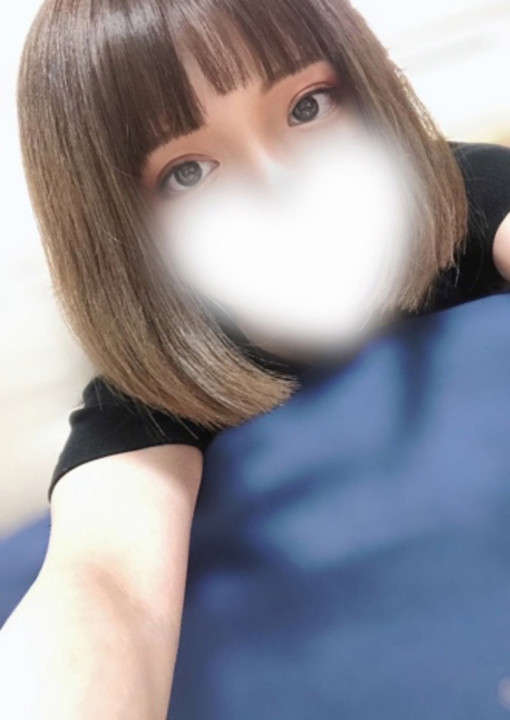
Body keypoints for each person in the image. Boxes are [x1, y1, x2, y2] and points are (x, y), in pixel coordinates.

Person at [2, 0, 510, 718]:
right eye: (187, 172)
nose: (279, 183)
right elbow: (105, 587)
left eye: (308, 107)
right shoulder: (148, 398)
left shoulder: (464, 192)